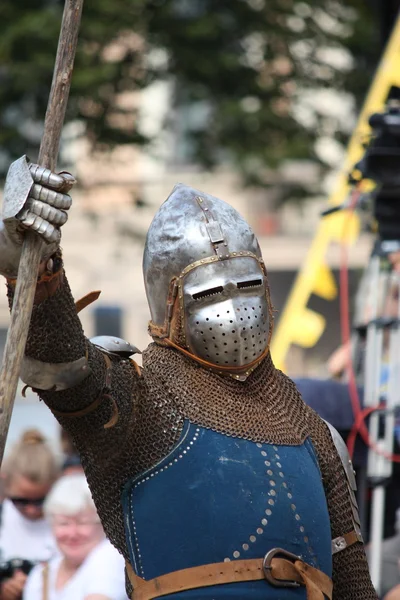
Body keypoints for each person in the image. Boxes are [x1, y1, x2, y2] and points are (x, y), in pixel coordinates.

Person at [0, 157, 378, 599]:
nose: (235, 311)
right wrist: (38, 269)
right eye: (211, 293)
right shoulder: (139, 401)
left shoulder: (315, 433)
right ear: (169, 306)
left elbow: (352, 584)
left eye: (248, 286)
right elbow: (62, 369)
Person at [23, 473, 127, 600]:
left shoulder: (111, 556)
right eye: (63, 523)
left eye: (82, 522)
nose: (72, 533)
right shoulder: (41, 574)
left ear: (103, 525)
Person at [0, 430, 59, 600]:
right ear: (5, 483)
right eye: (21, 501)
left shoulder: (71, 524)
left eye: (41, 500)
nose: (32, 510)